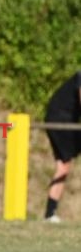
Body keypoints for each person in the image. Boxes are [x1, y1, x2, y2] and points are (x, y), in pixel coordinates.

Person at [44, 71, 81, 223]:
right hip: (60, 121)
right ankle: (49, 214)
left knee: (63, 167)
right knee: (64, 165)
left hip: (62, 121)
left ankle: (49, 213)